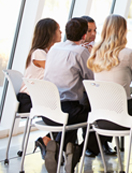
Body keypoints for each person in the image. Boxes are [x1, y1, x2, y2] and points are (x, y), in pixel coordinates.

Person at [87, 14, 132, 173]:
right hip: (125, 118)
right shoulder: (128, 54)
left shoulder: (95, 54)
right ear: (123, 31)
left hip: (101, 119)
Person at [43, 17, 93, 173]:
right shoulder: (81, 51)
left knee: (71, 117)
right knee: (97, 117)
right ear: (84, 35)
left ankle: (59, 146)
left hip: (48, 110)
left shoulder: (54, 49)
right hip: (68, 111)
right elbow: (92, 80)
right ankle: (75, 151)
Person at [16, 18, 61, 160]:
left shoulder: (42, 52)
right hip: (29, 100)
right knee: (69, 111)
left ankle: (51, 143)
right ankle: (51, 143)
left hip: (35, 98)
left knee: (68, 110)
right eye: (58, 30)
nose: (61, 32)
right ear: (50, 33)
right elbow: (55, 73)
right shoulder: (38, 53)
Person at [81, 15, 116, 157]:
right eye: (89, 31)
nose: (93, 34)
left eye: (95, 30)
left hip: (99, 88)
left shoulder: (99, 48)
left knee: (111, 101)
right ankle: (90, 144)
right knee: (89, 103)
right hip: (82, 90)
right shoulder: (76, 50)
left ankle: (104, 141)